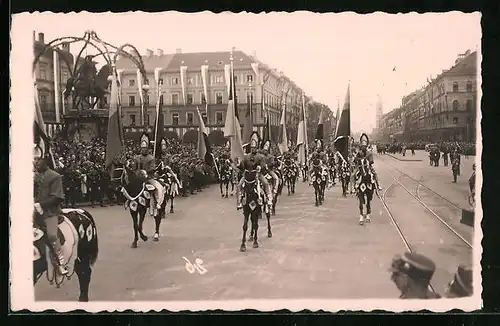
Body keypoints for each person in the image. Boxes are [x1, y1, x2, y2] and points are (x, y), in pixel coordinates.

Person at [33, 145, 68, 275]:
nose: (36, 162)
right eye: (34, 159)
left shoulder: (55, 176)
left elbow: (58, 197)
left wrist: (40, 205)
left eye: (38, 159)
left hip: (50, 212)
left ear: (46, 160)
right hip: (33, 213)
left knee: (52, 235)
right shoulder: (33, 176)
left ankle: (61, 263)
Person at [236, 133, 273, 210]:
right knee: (239, 185)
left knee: (265, 183)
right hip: (247, 175)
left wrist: (260, 167)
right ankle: (239, 201)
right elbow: (242, 166)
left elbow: (263, 165)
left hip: (257, 175)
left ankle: (269, 198)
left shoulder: (260, 156)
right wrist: (239, 164)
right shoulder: (246, 156)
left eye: (254, 147)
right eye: (252, 147)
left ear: (257, 147)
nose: (253, 149)